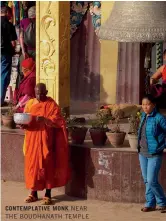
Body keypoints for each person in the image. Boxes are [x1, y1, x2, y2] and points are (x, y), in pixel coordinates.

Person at [20, 83, 70, 205]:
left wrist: (45, 120)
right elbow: (26, 120)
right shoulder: (30, 103)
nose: (39, 95)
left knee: (47, 166)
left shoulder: (51, 104)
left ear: (46, 92)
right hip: (32, 140)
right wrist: (23, 125)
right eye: (37, 93)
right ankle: (33, 193)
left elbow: (58, 121)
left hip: (47, 140)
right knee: (33, 167)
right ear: (34, 91)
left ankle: (48, 194)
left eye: (42, 93)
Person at [138, 94, 166, 212]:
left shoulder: (159, 118)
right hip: (142, 153)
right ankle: (150, 203)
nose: (145, 107)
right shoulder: (144, 116)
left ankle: (163, 202)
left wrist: (163, 145)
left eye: (148, 104)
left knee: (151, 180)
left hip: (154, 154)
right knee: (146, 180)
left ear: (153, 105)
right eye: (143, 104)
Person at [1, 6, 17, 106]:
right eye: (11, 14)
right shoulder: (9, 25)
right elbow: (13, 43)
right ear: (7, 12)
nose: (11, 16)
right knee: (3, 76)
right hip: (5, 52)